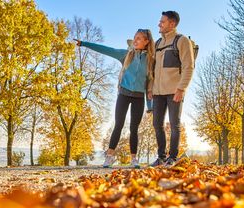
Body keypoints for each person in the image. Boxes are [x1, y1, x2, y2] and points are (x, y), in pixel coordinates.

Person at [74, 29, 154, 168]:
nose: (135, 40)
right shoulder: (126, 55)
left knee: (134, 128)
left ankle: (134, 159)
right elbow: (106, 49)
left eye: (139, 38)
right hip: (123, 94)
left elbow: (150, 85)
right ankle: (109, 157)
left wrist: (150, 105)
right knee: (118, 125)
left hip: (139, 97)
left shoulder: (150, 60)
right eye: (135, 37)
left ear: (147, 41)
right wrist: (84, 44)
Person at [148, 11, 195, 167]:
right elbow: (152, 69)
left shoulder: (181, 41)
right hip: (158, 92)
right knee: (157, 124)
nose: (159, 24)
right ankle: (161, 157)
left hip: (175, 90)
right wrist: (150, 88)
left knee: (174, 124)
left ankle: (172, 157)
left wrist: (181, 89)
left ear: (172, 24)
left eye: (162, 21)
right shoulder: (158, 44)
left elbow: (189, 66)